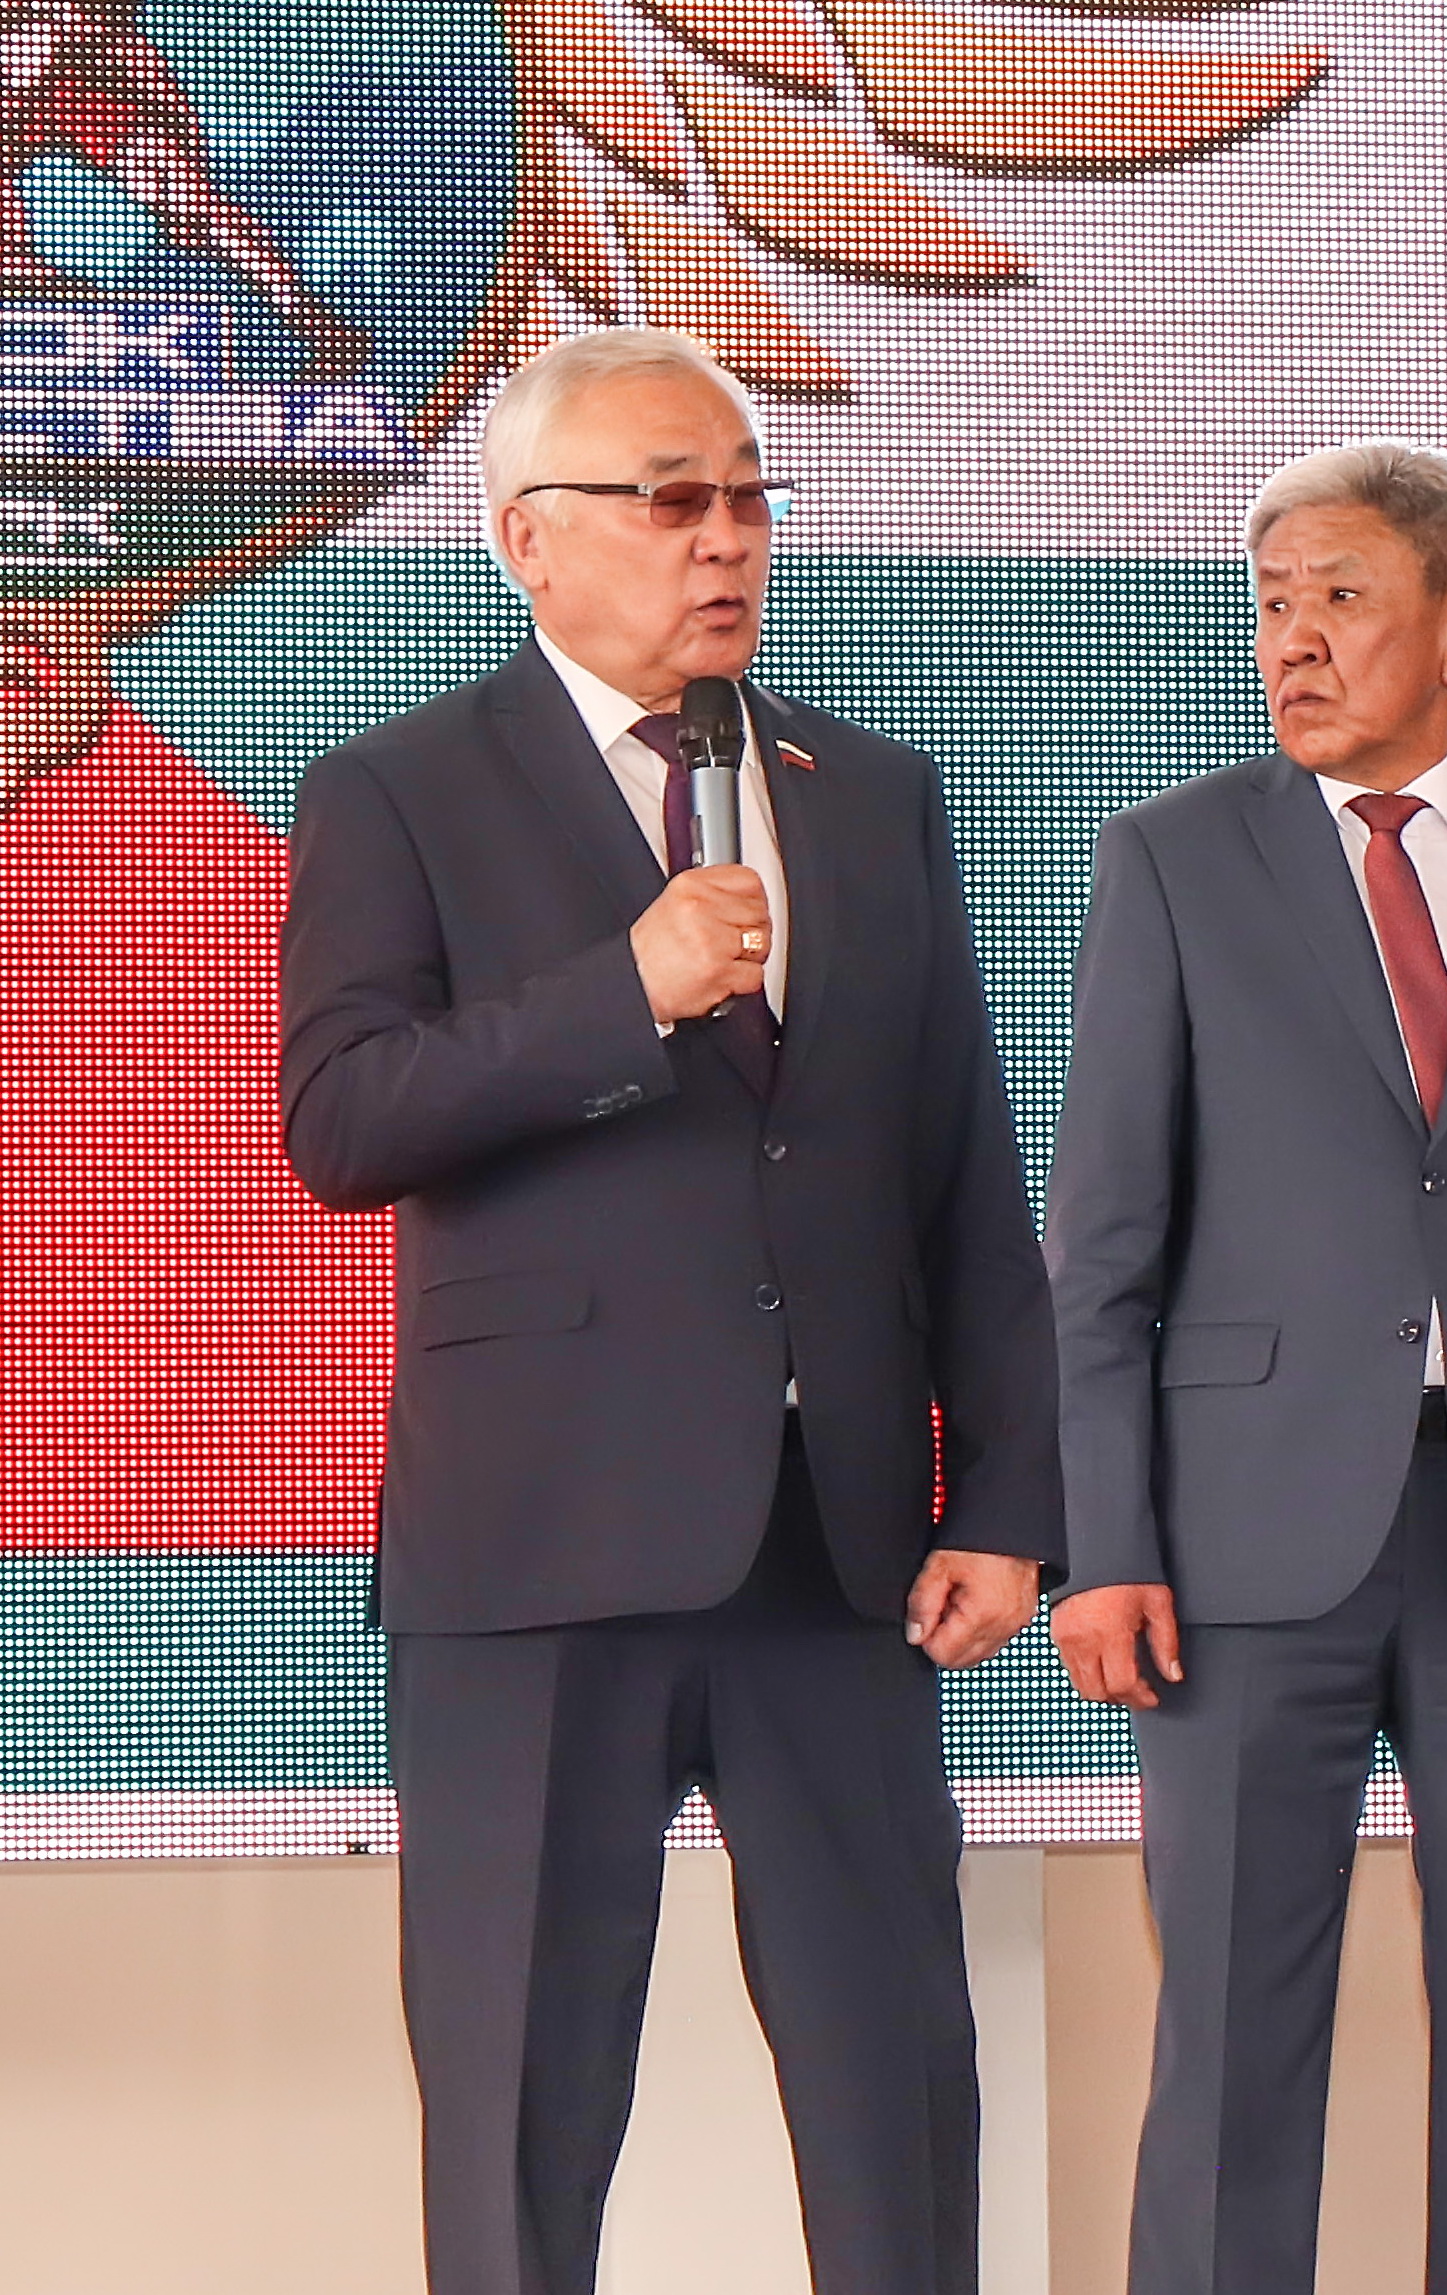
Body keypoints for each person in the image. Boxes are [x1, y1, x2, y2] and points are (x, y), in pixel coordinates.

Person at [278, 326, 1063, 2295]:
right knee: (523, 2109)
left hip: (839, 1551)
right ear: (528, 539)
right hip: (538, 1553)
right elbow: (344, 1120)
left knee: (899, 2092)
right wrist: (620, 993)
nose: (726, 540)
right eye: (672, 500)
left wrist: (1012, 1496)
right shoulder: (398, 790)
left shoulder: (869, 791)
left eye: (746, 499)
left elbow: (962, 1169)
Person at [1046, 439, 1447, 2295]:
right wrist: (1104, 1541)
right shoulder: (1174, 857)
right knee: (1229, 2046)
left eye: (1340, 596)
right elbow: (1100, 1246)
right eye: (1272, 603)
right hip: (1241, 1546)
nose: (1295, 640)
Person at [2, 0, 369, 377]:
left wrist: (186, 155)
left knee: (199, 210)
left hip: (96, 107)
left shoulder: (105, 46)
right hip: (63, 97)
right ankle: (16, 259)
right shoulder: (42, 45)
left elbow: (151, 79)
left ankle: (316, 325)